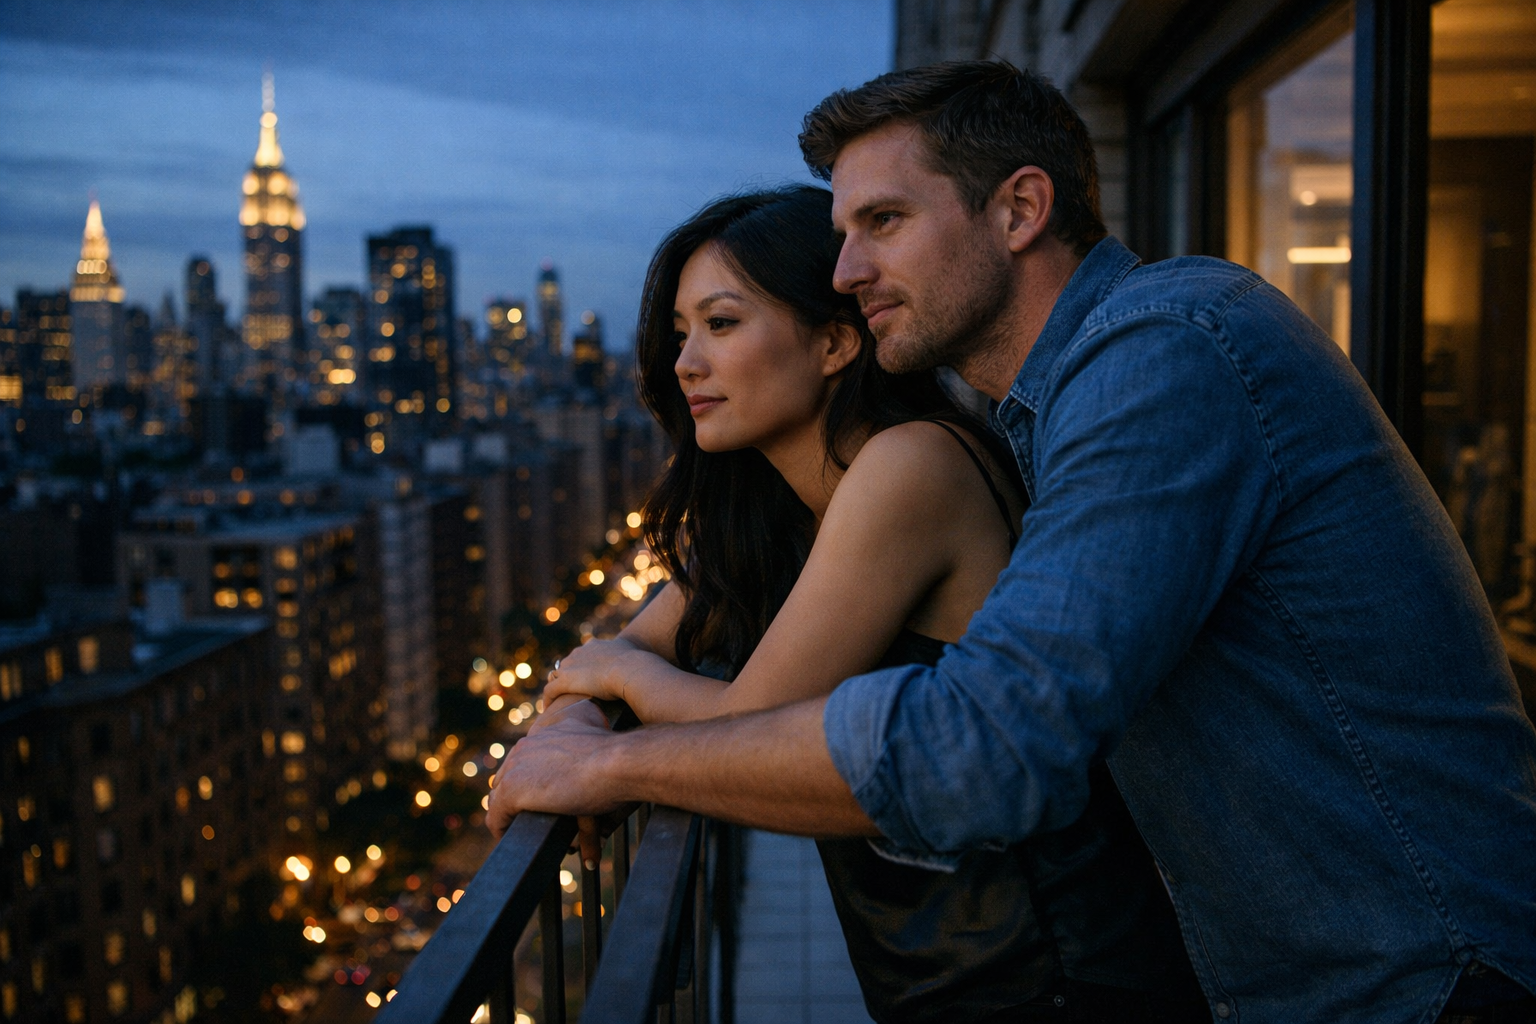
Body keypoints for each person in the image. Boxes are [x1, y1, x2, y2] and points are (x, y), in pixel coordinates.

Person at [489, 62, 1536, 1024]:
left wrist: (617, 764)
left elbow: (984, 746)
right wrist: (604, 692)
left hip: (1429, 979)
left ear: (1021, 210)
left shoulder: (1165, 354)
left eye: (884, 222)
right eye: (845, 232)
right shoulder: (1042, 416)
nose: (846, 268)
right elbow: (715, 597)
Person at [529, 184, 1204, 1022]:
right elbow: (630, 651)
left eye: (723, 323)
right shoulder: (785, 506)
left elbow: (748, 724)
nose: (686, 364)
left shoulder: (912, 463)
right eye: (679, 334)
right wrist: (582, 711)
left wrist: (614, 693)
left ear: (836, 342)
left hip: (1053, 973)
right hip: (943, 972)